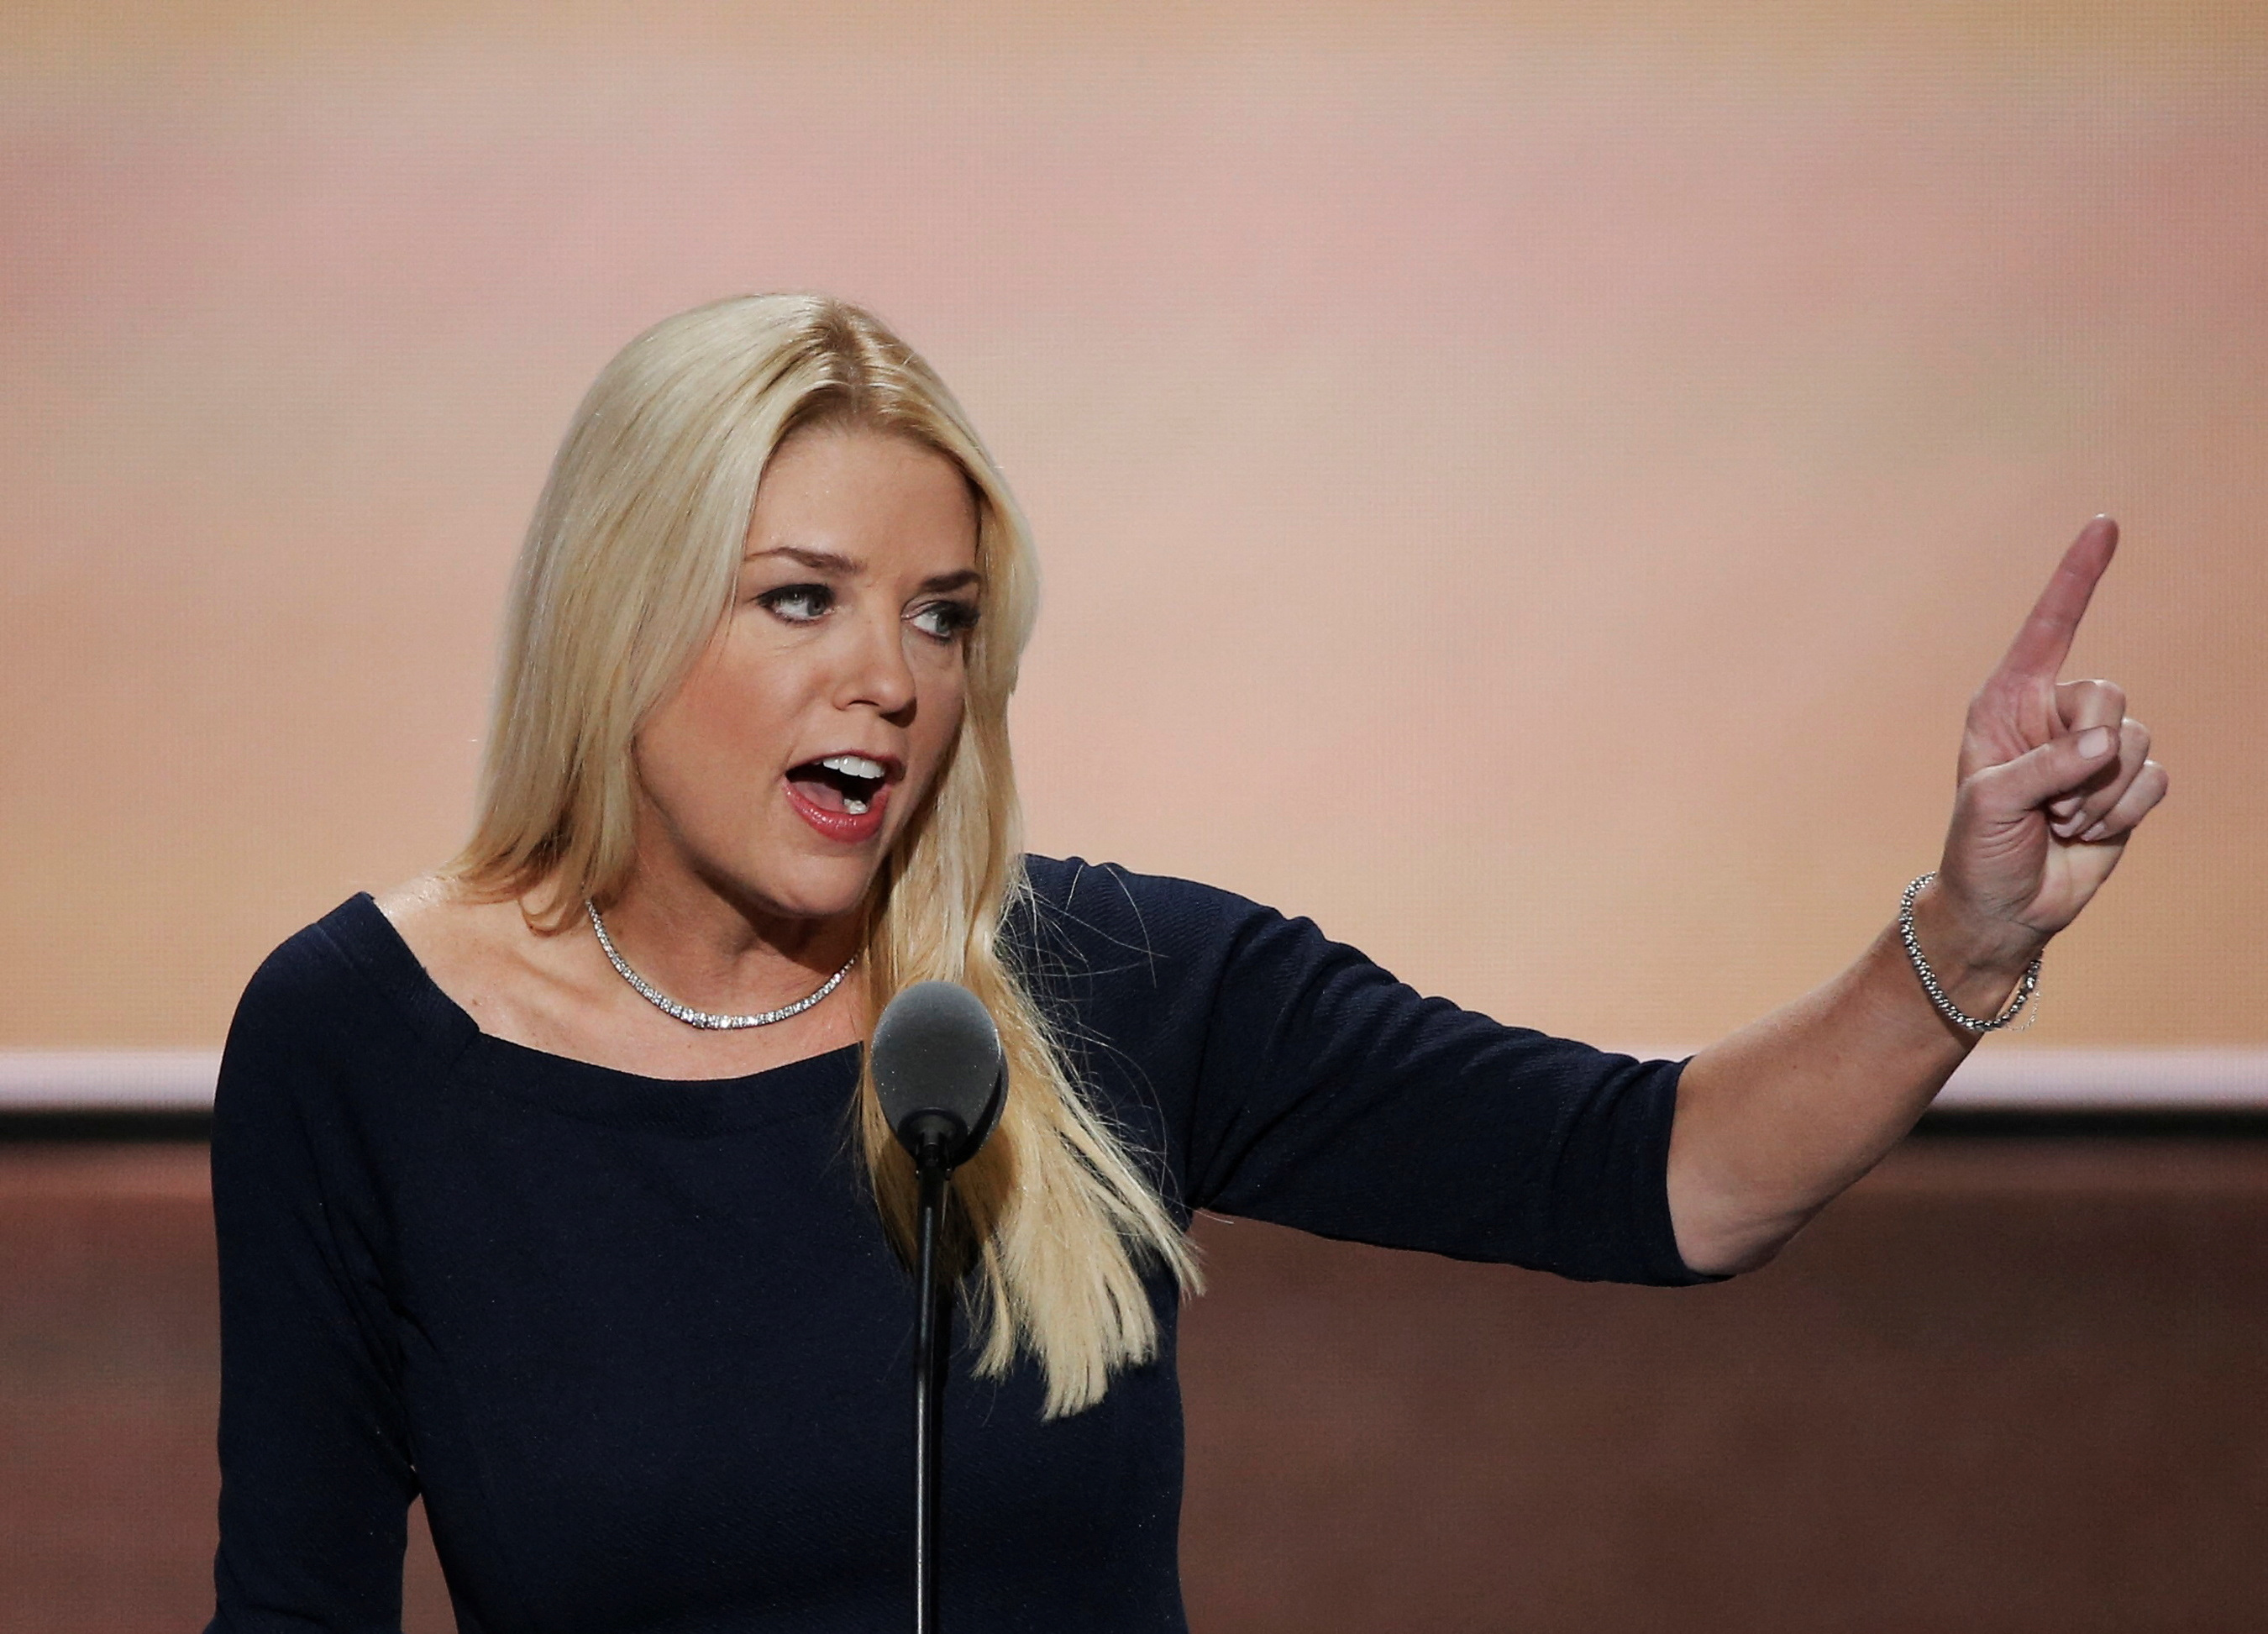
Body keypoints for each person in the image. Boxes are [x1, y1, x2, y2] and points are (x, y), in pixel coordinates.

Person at [204, 294, 2167, 1633]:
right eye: (802, 598)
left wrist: (1964, 938)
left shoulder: (1101, 984)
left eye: (945, 617)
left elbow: (1662, 1172)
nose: (891, 680)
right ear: (615, 612)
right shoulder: (361, 1040)